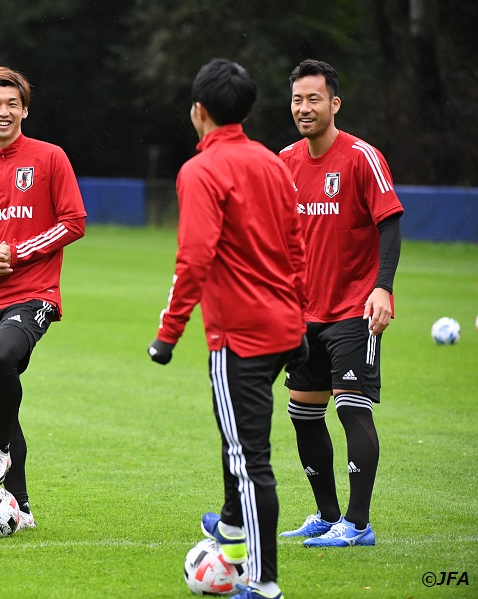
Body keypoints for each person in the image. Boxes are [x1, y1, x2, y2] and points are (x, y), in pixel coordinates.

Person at [147, 59, 308, 599]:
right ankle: (233, 532)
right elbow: (296, 248)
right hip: (285, 328)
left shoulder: (200, 171)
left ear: (198, 111)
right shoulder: (271, 163)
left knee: (249, 458)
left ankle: (261, 584)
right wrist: (301, 315)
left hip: (241, 336)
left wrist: (167, 336)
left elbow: (192, 260)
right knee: (236, 439)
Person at [0, 66, 86, 530]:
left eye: (12, 104)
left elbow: (74, 221)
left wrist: (18, 252)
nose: (3, 111)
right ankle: (21, 507)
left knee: (0, 356)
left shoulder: (49, 158)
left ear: (25, 110)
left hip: (36, 292)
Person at [278, 59, 403, 548]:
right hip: (302, 313)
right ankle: (327, 515)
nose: (304, 108)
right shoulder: (284, 161)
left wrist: (383, 287)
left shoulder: (361, 158)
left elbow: (389, 221)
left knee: (352, 410)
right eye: (297, 100)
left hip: (354, 308)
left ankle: (358, 523)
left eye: (313, 99)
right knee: (303, 413)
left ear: (334, 103)